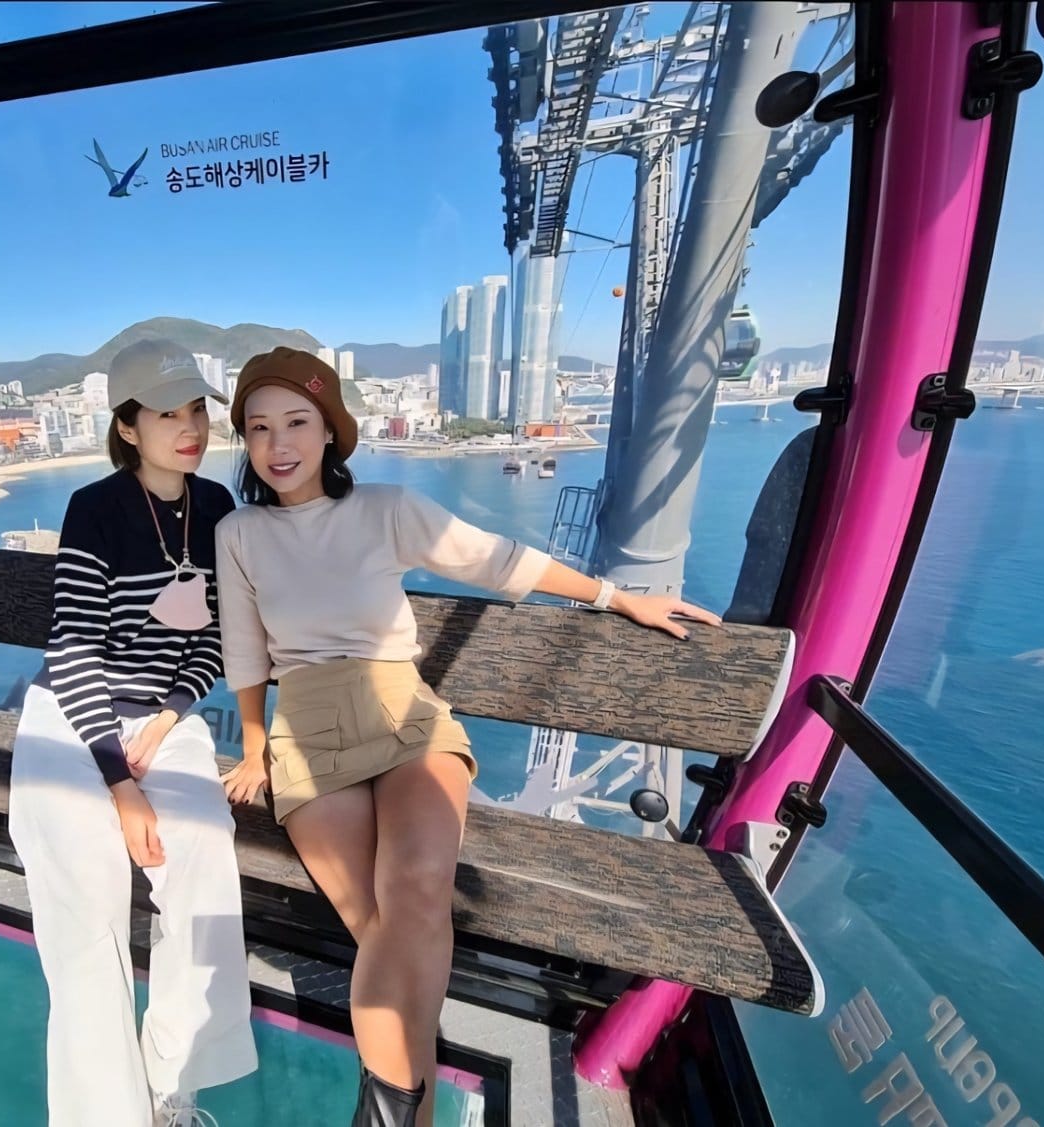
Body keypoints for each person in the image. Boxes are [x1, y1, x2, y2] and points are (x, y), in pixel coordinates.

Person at [213, 348, 719, 1127]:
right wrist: (253, 747)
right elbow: (246, 652)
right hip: (308, 731)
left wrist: (618, 597)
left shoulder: (385, 508)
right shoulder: (241, 531)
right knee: (387, 926)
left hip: (407, 716)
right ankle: (413, 1111)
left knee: (415, 888)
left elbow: (496, 559)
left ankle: (386, 1114)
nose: (278, 444)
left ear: (329, 431)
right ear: (245, 441)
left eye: (296, 422)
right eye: (258, 427)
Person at [8, 339, 258, 1126]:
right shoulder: (95, 510)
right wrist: (119, 780)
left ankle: (172, 1079)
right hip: (73, 718)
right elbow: (73, 650)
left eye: (196, 410)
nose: (189, 428)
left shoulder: (217, 508)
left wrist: (172, 713)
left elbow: (218, 634)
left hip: (160, 716)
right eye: (166, 413)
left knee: (205, 860)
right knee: (86, 903)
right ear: (126, 425)